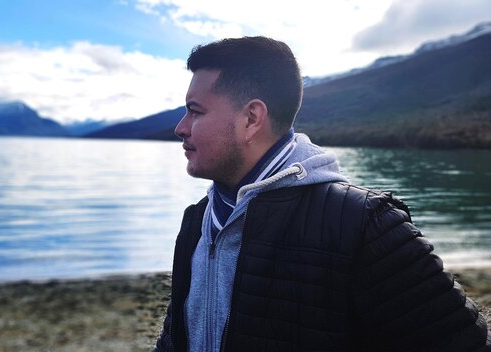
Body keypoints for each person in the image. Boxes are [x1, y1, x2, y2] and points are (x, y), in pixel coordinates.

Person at [154, 36, 491, 352]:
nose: (180, 127)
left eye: (195, 111)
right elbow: (175, 340)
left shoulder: (364, 224)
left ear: (252, 119)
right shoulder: (197, 221)